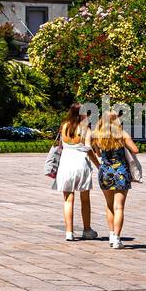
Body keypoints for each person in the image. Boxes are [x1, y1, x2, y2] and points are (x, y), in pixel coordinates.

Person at [90, 109, 141, 249]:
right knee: (119, 206)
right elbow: (135, 150)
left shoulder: (98, 135)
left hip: (105, 171)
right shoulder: (122, 134)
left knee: (109, 205)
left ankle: (112, 234)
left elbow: (98, 152)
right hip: (121, 172)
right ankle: (117, 238)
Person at [54, 103, 98, 241]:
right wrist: (98, 165)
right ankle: (87, 230)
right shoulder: (85, 129)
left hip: (66, 164)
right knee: (85, 200)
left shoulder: (64, 127)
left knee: (68, 200)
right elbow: (88, 150)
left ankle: (69, 232)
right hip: (81, 165)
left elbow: (60, 145)